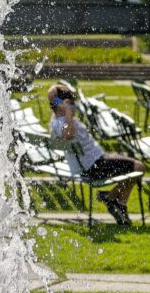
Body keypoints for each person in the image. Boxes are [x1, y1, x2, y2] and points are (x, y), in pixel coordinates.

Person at [46, 83, 144, 227]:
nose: (74, 106)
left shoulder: (56, 119)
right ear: (63, 104)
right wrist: (67, 112)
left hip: (95, 161)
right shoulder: (62, 121)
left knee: (124, 160)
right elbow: (68, 135)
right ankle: (113, 200)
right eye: (71, 102)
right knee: (139, 167)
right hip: (93, 167)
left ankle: (114, 201)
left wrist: (65, 109)